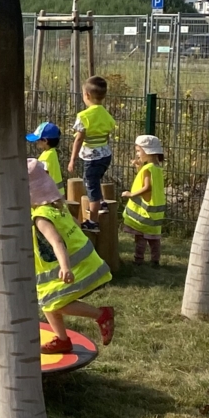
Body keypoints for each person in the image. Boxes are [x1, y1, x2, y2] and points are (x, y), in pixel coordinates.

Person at [30, 158, 115, 348]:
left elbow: (56, 241)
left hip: (72, 266)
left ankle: (101, 315)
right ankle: (62, 340)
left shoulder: (41, 217)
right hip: (74, 262)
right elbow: (75, 225)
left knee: (57, 305)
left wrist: (65, 267)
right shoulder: (56, 207)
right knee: (48, 303)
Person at [65, 76, 116, 210]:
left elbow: (79, 139)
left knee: (90, 185)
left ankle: (93, 220)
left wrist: (72, 160)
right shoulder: (106, 114)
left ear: (87, 95)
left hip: (91, 157)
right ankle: (102, 202)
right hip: (105, 156)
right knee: (95, 179)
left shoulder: (84, 116)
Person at [123, 134, 167, 266]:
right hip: (155, 210)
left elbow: (147, 187)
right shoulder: (157, 167)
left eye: (138, 151)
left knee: (140, 236)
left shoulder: (148, 169)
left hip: (144, 211)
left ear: (147, 151)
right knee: (154, 238)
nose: (137, 154)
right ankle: (155, 260)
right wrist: (138, 167)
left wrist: (131, 194)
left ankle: (138, 259)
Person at [28, 121, 67, 192]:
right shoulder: (52, 152)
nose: (36, 142)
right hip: (57, 196)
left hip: (49, 198)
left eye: (38, 139)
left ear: (45, 141)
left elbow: (41, 177)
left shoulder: (46, 158)